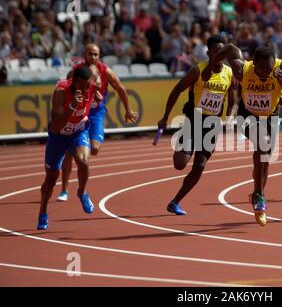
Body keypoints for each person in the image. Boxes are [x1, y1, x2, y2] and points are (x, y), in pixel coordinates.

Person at [202, 44, 282, 226]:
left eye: (270, 68)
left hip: (270, 117)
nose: (267, 72)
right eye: (263, 69)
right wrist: (210, 67)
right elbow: (229, 49)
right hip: (246, 115)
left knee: (265, 158)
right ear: (254, 64)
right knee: (263, 145)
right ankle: (259, 196)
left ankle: (257, 191)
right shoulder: (242, 69)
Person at [157, 35, 237, 216]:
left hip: (212, 124)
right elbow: (176, 90)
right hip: (194, 120)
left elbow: (232, 100)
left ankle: (175, 202)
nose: (220, 54)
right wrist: (165, 117)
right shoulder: (197, 71)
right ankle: (183, 146)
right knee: (180, 164)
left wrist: (229, 117)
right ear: (209, 52)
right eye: (216, 50)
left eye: (222, 51)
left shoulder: (229, 74)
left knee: (200, 165)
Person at [57, 43, 139, 201]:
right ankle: (64, 190)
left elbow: (120, 88)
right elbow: (66, 90)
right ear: (84, 54)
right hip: (77, 112)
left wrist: (128, 110)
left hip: (95, 113)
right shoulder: (75, 72)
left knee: (94, 149)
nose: (93, 57)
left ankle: (82, 150)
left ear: (99, 55)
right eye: (90, 54)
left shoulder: (105, 71)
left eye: (96, 54)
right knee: (68, 152)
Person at [37, 65, 98, 230]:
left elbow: (101, 85)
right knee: (51, 178)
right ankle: (43, 211)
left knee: (83, 161)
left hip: (78, 132)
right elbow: (56, 126)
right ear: (74, 82)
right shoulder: (60, 92)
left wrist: (97, 97)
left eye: (88, 85)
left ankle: (82, 192)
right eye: (83, 85)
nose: (86, 89)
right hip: (58, 136)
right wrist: (71, 107)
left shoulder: (91, 87)